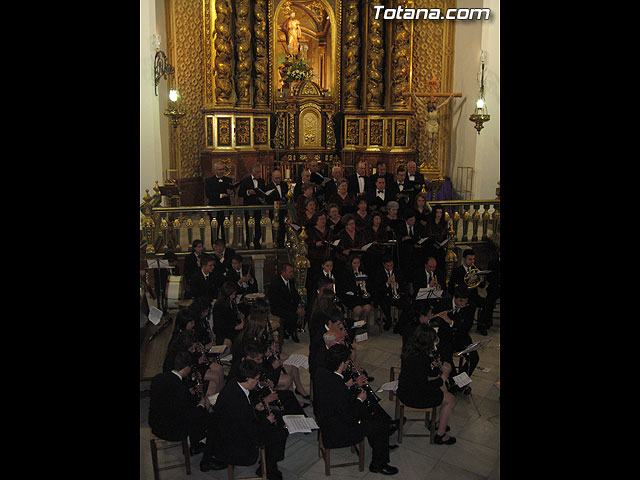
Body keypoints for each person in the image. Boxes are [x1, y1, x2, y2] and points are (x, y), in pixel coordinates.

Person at [313, 344, 399, 476]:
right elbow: (349, 416)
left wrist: (351, 384)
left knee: (372, 415)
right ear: (342, 363)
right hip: (338, 432)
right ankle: (378, 464)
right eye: (347, 361)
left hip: (328, 418)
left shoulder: (321, 373)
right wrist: (360, 399)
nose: (348, 363)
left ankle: (381, 444)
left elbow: (336, 394)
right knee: (378, 424)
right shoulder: (338, 387)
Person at [149, 351, 228, 472]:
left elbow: (171, 401)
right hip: (171, 430)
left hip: (156, 423)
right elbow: (191, 416)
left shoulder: (158, 378)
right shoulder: (180, 391)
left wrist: (189, 394)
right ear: (186, 368)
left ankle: (196, 444)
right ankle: (206, 461)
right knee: (213, 420)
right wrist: (201, 405)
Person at [212, 359, 289, 480]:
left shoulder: (234, 385)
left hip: (236, 428)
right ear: (248, 378)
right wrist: (266, 421)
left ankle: (270, 463)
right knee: (279, 432)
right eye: (256, 379)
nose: (257, 382)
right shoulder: (236, 399)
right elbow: (247, 429)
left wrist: (256, 407)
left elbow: (243, 416)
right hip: (236, 442)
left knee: (278, 417)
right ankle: (268, 468)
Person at [397, 324, 457, 445]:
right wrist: (443, 376)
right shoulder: (420, 359)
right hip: (412, 396)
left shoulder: (411, 350)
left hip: (408, 387)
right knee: (450, 398)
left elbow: (424, 374)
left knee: (443, 389)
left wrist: (435, 367)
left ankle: (436, 422)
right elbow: (424, 385)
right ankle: (440, 435)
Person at [431, 287, 479, 386]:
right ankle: (453, 383)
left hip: (461, 337)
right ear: (454, 297)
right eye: (460, 301)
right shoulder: (444, 302)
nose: (463, 304)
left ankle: (460, 382)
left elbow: (466, 327)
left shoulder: (470, 306)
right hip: (445, 337)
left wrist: (451, 321)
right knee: (446, 358)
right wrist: (434, 317)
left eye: (465, 301)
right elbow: (432, 315)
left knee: (474, 358)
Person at [447, 248, 488, 335]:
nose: (472, 262)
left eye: (473, 259)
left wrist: (481, 279)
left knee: (487, 303)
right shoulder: (457, 271)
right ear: (464, 259)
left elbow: (482, 286)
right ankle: (462, 325)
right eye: (470, 259)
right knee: (469, 306)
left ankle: (481, 325)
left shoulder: (476, 270)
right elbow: (451, 288)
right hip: (462, 297)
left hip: (473, 295)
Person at [372, 256, 412, 332]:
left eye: (391, 265)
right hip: (383, 295)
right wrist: (387, 283)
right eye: (388, 265)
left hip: (395, 295)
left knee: (407, 306)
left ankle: (399, 325)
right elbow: (377, 288)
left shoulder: (397, 271)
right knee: (384, 303)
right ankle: (389, 320)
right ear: (383, 265)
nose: (390, 267)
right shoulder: (379, 272)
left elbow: (403, 285)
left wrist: (396, 285)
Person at [268, 262, 305, 343]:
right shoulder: (276, 283)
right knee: (292, 315)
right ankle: (291, 331)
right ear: (283, 272)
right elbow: (280, 301)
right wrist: (295, 309)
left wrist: (299, 305)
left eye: (292, 272)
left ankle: (291, 329)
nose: (292, 274)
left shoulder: (291, 281)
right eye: (290, 272)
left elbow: (294, 294)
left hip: (288, 305)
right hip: (277, 307)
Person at [336, 254, 373, 326]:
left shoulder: (363, 271)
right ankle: (351, 323)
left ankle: (360, 322)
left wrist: (363, 284)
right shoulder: (346, 273)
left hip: (361, 296)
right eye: (354, 263)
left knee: (368, 308)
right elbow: (344, 287)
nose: (357, 265)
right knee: (358, 309)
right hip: (351, 297)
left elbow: (369, 285)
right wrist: (355, 284)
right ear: (351, 263)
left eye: (358, 263)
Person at [238, 164, 267, 249]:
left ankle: (257, 241)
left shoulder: (261, 181)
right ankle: (249, 241)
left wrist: (262, 198)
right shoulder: (245, 181)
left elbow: (263, 192)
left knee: (259, 225)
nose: (259, 173)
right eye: (257, 172)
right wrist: (248, 192)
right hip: (249, 206)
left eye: (259, 172)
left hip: (259, 207)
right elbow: (240, 193)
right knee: (249, 225)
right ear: (252, 172)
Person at [205, 162, 235, 243]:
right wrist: (221, 195)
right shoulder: (209, 181)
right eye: (219, 169)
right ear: (215, 170)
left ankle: (225, 245)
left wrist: (231, 193)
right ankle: (214, 246)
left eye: (223, 169)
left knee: (225, 229)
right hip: (214, 209)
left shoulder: (228, 180)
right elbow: (208, 194)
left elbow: (233, 193)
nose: (221, 171)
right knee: (214, 229)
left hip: (226, 208)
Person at [212, 281, 245, 348]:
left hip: (232, 328)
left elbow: (234, 318)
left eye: (234, 294)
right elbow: (220, 325)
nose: (234, 296)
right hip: (225, 332)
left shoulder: (232, 302)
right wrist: (236, 327)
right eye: (232, 295)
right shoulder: (219, 306)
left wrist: (240, 316)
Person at [263, 169, 289, 247]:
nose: (278, 180)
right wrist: (277, 201)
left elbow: (287, 195)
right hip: (274, 211)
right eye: (276, 178)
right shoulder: (268, 186)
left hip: (283, 210)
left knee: (283, 228)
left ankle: (281, 244)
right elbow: (268, 199)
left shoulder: (284, 184)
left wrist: (285, 199)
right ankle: (275, 243)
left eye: (279, 178)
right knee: (275, 228)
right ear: (272, 178)